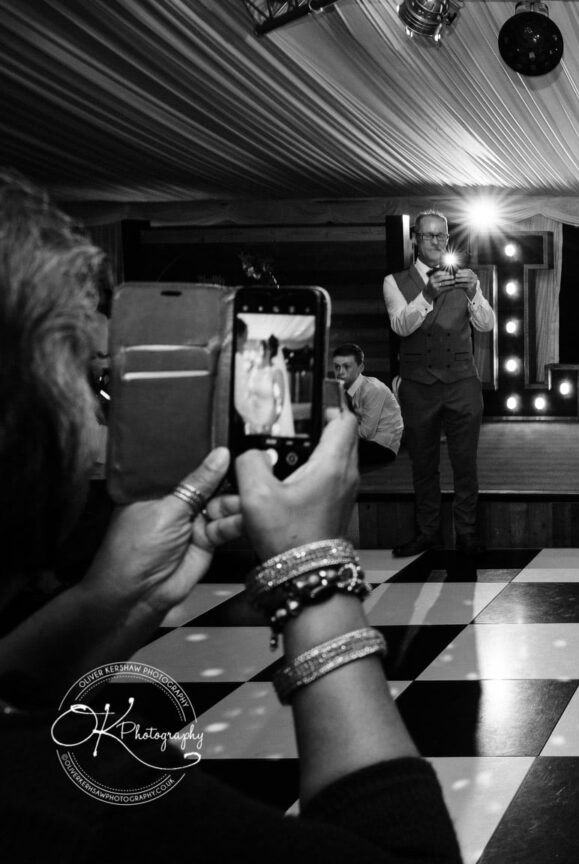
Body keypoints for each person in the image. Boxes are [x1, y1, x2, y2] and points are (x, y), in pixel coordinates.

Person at [0, 168, 459, 861]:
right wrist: (314, 574)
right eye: (90, 385)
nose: (101, 428)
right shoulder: (81, 808)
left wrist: (115, 598)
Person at [383, 210, 493, 558]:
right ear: (414, 238)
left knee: (465, 463)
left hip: (462, 381)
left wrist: (475, 293)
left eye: (441, 236)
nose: (436, 242)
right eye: (429, 236)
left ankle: (468, 535)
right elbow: (401, 326)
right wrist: (427, 295)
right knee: (423, 463)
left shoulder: (464, 278)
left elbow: (487, 324)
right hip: (419, 385)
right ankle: (428, 534)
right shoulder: (394, 281)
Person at [331, 343, 404, 469]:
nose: (340, 372)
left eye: (347, 367)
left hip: (383, 447)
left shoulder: (372, 389)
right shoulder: (343, 390)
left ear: (360, 368)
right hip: (364, 442)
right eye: (337, 367)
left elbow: (366, 433)